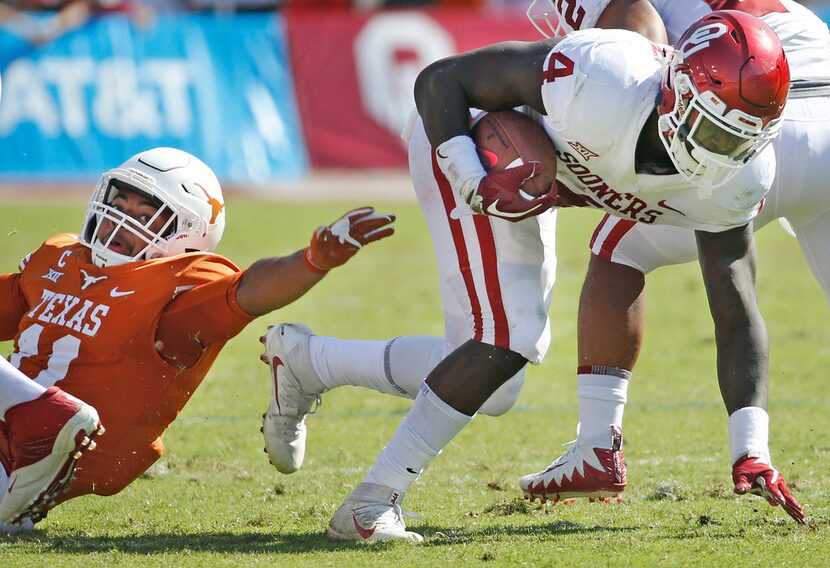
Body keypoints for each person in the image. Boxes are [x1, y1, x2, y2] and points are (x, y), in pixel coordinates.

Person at [259, 9, 798, 542]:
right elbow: (440, 80)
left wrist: (750, 448)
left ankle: (309, 361)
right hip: (467, 145)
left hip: (532, 182)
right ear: (675, 92)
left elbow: (735, 308)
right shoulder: (605, 79)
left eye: (739, 142)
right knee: (509, 336)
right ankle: (372, 502)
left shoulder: (738, 176)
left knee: (496, 382)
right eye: (713, 132)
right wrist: (468, 174)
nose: (720, 155)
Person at [519, 0, 828, 526]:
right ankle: (744, 446)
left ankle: (597, 446)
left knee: (620, 246)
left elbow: (643, 48)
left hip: (759, 122)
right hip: (813, 98)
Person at [0, 146, 395, 529]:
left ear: (185, 234)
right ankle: (35, 417)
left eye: (145, 215)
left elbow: (248, 292)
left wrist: (312, 261)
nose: (118, 220)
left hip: (50, 447)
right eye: (118, 205)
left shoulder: (171, 289)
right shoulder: (60, 257)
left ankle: (42, 414)